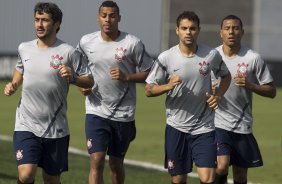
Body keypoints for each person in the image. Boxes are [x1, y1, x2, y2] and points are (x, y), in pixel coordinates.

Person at [3, 2, 94, 184]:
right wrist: (13, 84)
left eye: (45, 20)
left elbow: (89, 80)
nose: (39, 24)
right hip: (26, 123)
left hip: (56, 127)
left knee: (51, 179)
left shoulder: (69, 52)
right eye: (37, 20)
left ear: (57, 24)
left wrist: (74, 78)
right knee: (26, 174)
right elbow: (20, 69)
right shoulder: (24, 48)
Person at [145, 11, 231, 184]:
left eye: (192, 28)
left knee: (208, 178)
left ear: (198, 30)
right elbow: (149, 89)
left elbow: (226, 76)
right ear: (177, 30)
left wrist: (219, 95)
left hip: (204, 127)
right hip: (176, 126)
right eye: (184, 28)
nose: (188, 32)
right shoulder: (166, 58)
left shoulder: (210, 55)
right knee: (178, 180)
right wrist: (167, 86)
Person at [76, 1, 154, 183]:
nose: (108, 20)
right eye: (104, 16)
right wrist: (82, 86)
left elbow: (150, 72)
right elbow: (77, 69)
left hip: (123, 114)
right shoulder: (86, 42)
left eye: (112, 16)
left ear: (119, 18)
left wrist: (127, 77)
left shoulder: (132, 43)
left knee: (116, 164)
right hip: (96, 110)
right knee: (97, 160)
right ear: (98, 18)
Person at [213, 15, 276, 184]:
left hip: (242, 124)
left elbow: (271, 91)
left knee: (240, 176)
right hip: (217, 123)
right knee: (221, 167)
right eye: (227, 28)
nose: (231, 32)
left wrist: (250, 85)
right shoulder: (212, 56)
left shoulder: (253, 58)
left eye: (235, 28)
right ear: (221, 33)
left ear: (242, 32)